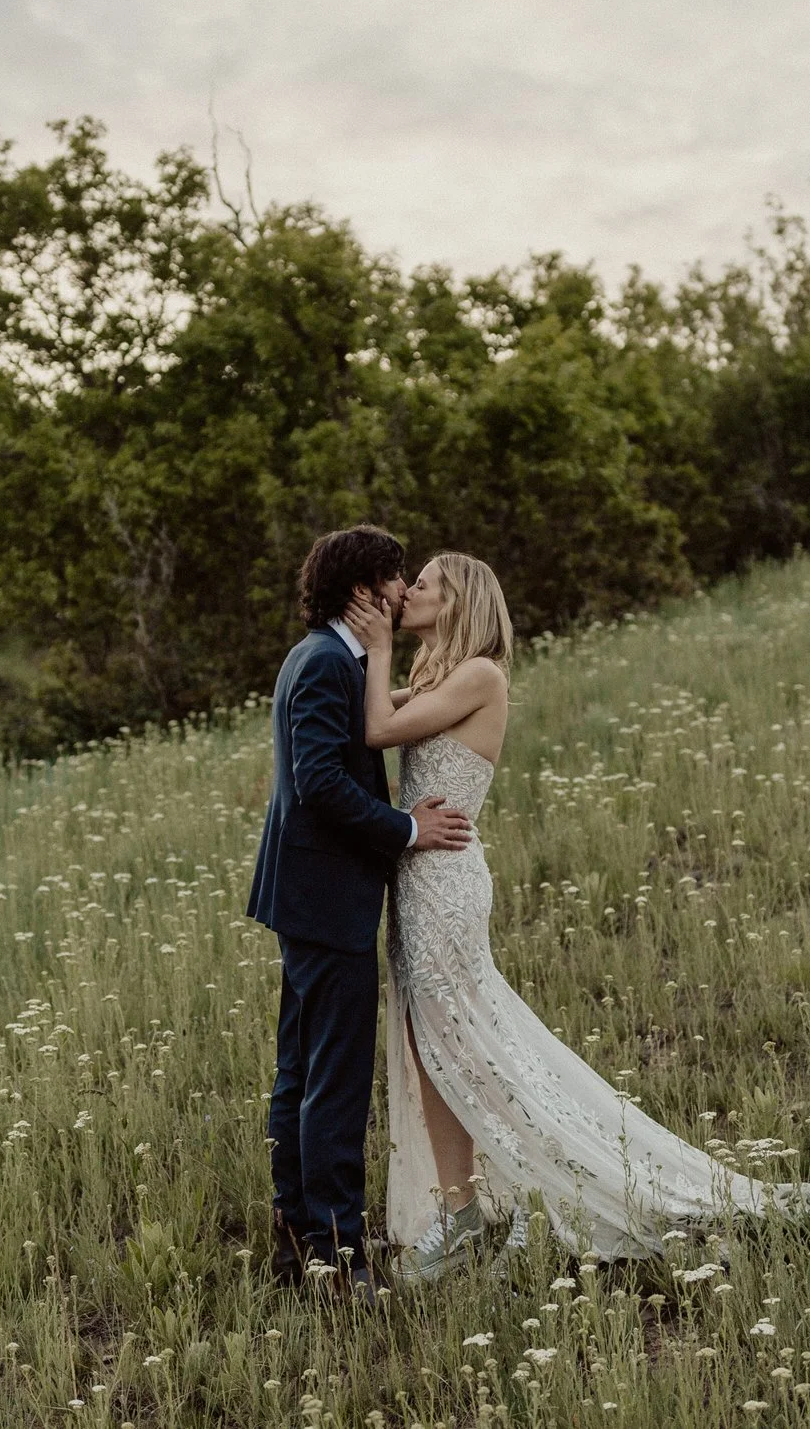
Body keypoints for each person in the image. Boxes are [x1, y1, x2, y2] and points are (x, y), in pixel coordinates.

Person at [343, 552, 810, 1284]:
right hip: (418, 877)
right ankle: (461, 1211)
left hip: (446, 880)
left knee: (465, 1041)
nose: (409, 593)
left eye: (424, 584)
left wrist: (377, 648)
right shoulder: (439, 676)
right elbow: (381, 714)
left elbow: (374, 731)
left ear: (459, 601)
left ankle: (517, 1193)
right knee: (432, 1042)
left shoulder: (481, 673)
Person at [246, 525, 474, 1295]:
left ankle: (300, 1230)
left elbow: (360, 727)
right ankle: (338, 1254)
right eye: (394, 577)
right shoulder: (323, 664)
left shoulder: (328, 658)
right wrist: (411, 829)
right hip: (326, 896)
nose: (403, 588)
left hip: (312, 894)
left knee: (303, 1067)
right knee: (331, 1080)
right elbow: (321, 785)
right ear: (362, 590)